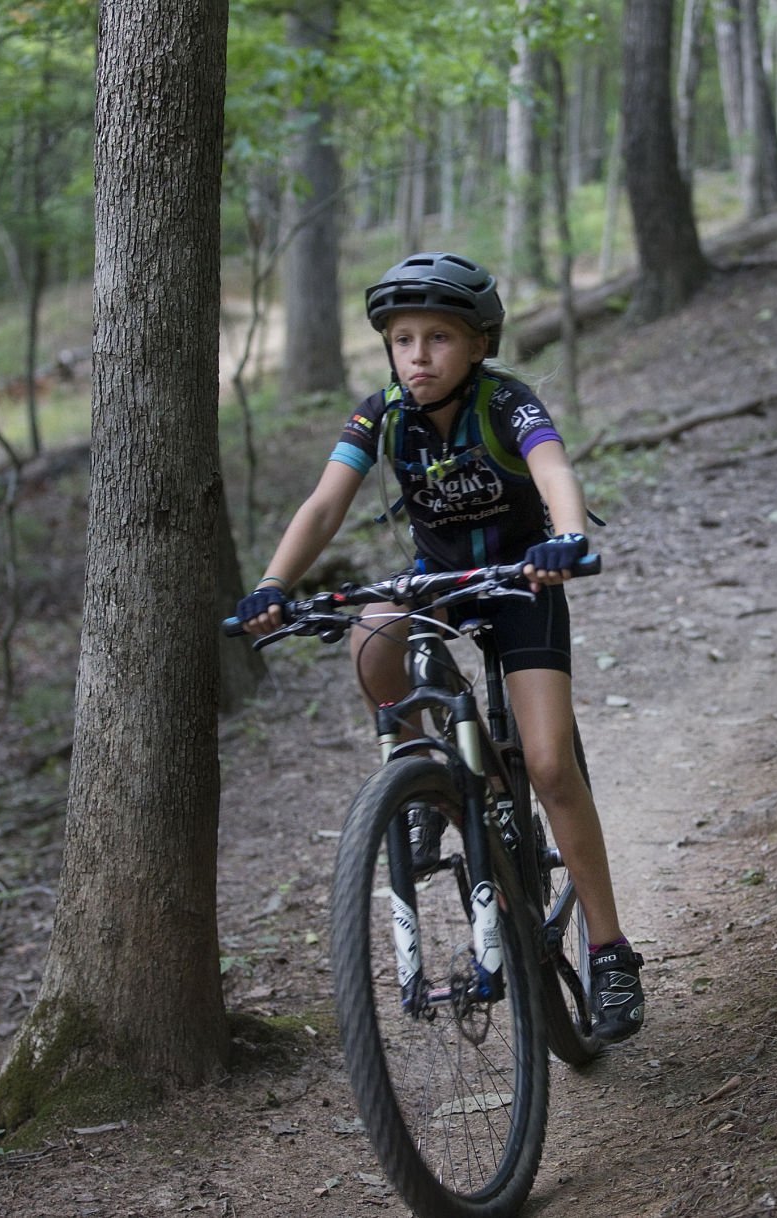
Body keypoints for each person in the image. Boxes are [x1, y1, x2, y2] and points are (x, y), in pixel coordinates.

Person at [234, 250, 646, 1043]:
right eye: (402, 340)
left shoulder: (506, 402)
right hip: (439, 578)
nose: (418, 356)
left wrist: (563, 538)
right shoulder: (381, 414)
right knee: (369, 637)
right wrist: (271, 585)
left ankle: (612, 952)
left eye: (438, 339)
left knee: (552, 765)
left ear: (478, 346)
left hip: (526, 578)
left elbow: (554, 468)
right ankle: (431, 781)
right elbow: (325, 505)